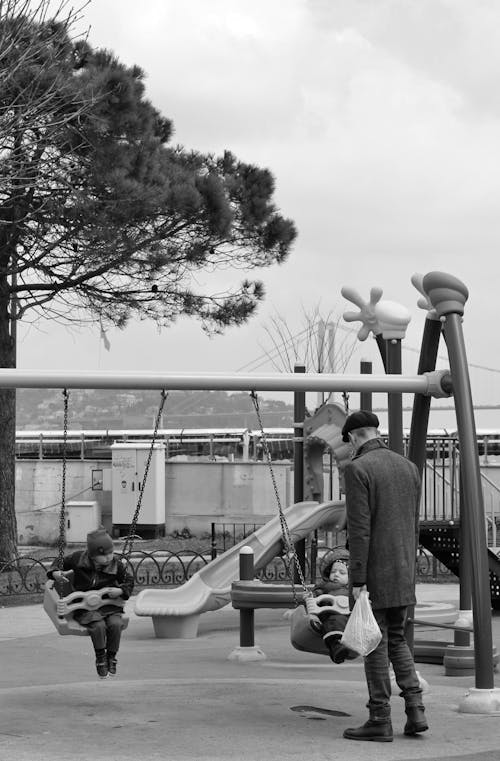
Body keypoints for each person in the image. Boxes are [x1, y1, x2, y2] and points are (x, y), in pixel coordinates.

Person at [340, 410, 428, 743]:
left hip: (374, 573)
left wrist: (358, 579)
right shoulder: (409, 468)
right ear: (375, 431)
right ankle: (415, 709)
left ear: (352, 438)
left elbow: (360, 531)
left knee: (374, 643)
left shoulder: (358, 469)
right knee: (397, 640)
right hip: (403, 570)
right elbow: (412, 523)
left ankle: (379, 717)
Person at [47, 528, 134, 679]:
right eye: (104, 555)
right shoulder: (78, 559)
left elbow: (129, 581)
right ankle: (100, 657)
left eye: (111, 553)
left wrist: (120, 591)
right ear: (93, 555)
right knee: (98, 625)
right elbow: (59, 562)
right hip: (85, 608)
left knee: (115, 624)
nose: (108, 558)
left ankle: (111, 657)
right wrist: (55, 573)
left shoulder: (117, 565)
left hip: (109, 606)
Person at [311, 550, 357, 664]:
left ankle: (337, 650)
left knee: (340, 623)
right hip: (329, 615)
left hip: (348, 619)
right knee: (333, 622)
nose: (336, 574)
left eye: (342, 572)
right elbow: (316, 594)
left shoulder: (352, 590)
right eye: (333, 571)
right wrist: (311, 596)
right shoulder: (325, 586)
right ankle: (337, 648)